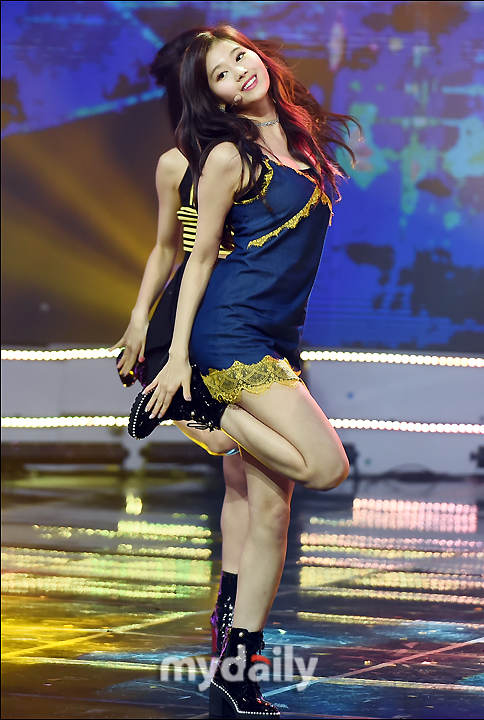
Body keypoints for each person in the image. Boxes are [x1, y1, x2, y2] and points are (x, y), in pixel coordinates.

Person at [143, 25, 360, 719]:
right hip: (232, 334)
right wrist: (176, 356)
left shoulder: (299, 139)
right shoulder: (228, 156)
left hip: (275, 337)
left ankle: (235, 672)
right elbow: (198, 258)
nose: (240, 70)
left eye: (239, 56)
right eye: (220, 73)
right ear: (214, 99)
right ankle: (209, 409)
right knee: (326, 468)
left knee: (267, 508)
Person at [109, 29, 248, 656]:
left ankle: (230, 606)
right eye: (215, 71)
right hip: (191, 309)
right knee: (227, 443)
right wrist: (139, 317)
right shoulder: (176, 164)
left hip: (244, 309)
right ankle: (176, 403)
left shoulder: (258, 154)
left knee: (243, 477)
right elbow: (167, 248)